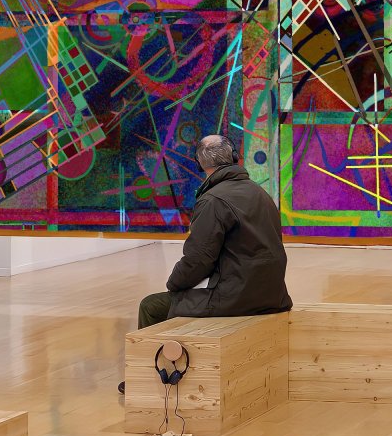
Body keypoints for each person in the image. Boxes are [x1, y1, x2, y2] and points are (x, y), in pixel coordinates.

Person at [118, 134, 292, 394]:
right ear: (234, 157)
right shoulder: (260, 193)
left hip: (238, 298)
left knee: (152, 305)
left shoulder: (213, 200)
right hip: (273, 295)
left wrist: (175, 285)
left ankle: (144, 380)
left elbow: (198, 260)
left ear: (200, 164)